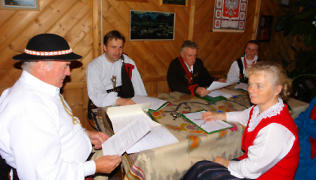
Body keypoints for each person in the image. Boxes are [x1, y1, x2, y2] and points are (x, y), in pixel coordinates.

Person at [0, 33, 121, 180]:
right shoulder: (28, 109)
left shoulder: (45, 89)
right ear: (43, 66)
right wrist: (95, 167)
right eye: (65, 66)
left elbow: (58, 127)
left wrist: (86, 135)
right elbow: (43, 175)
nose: (69, 72)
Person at [182, 61, 300, 179]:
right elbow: (244, 115)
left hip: (260, 175)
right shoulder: (263, 108)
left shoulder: (275, 129)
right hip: (253, 168)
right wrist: (219, 116)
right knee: (201, 166)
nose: (251, 90)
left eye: (259, 86)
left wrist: (226, 163)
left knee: (205, 173)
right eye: (250, 84)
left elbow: (250, 169)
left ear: (277, 90)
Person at [86, 30, 147, 107]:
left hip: (124, 101)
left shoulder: (128, 62)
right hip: (101, 104)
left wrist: (143, 104)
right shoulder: (94, 66)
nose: (117, 52)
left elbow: (138, 87)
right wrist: (118, 101)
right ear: (105, 47)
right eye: (113, 47)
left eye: (120, 47)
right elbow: (97, 94)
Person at [294, 97, 316, 180]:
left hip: (311, 153)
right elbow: (304, 115)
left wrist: (303, 124)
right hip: (302, 141)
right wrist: (293, 124)